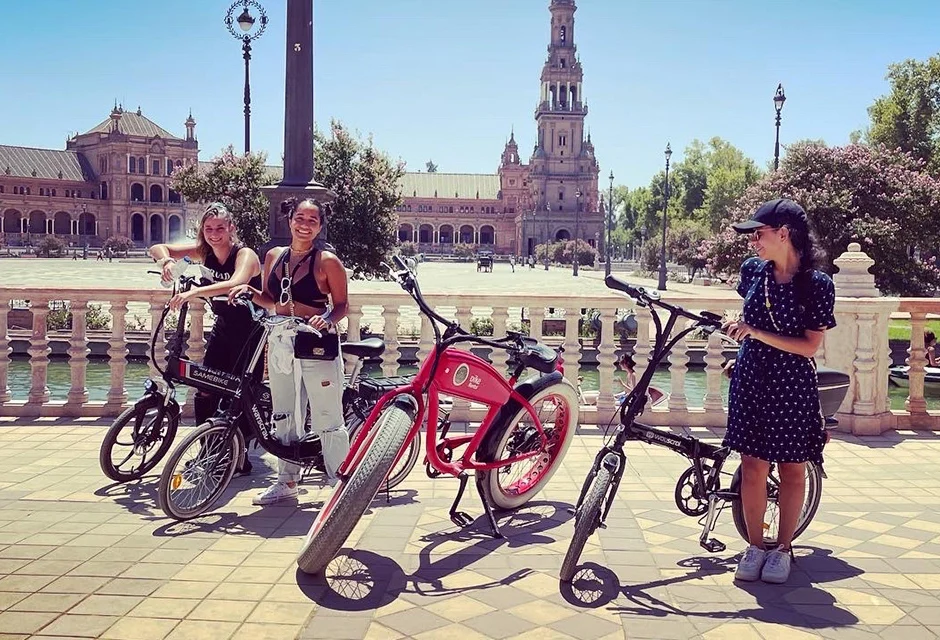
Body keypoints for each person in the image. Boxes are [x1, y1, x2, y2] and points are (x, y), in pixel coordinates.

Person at [722, 198, 836, 585]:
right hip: (752, 376)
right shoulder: (753, 272)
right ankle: (754, 546)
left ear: (784, 234)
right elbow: (754, 314)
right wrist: (740, 324)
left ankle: (783, 547)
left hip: (791, 382)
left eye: (759, 234)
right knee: (752, 465)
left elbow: (809, 346)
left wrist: (755, 333)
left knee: (791, 468)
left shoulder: (817, 285)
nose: (754, 242)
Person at [229, 197, 349, 505]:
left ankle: (341, 483)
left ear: (320, 226)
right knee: (284, 412)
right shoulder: (274, 256)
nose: (304, 224)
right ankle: (287, 481)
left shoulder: (327, 262)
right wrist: (249, 292)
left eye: (312, 220)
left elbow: (342, 305)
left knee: (327, 415)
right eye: (300, 217)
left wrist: (326, 318)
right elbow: (271, 299)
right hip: (281, 339)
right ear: (290, 220)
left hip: (314, 341)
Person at [149, 202, 263, 473]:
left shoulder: (244, 254)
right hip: (223, 329)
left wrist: (194, 293)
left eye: (220, 228)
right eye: (208, 228)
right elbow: (158, 248)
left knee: (241, 393)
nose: (214, 234)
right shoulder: (204, 252)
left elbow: (236, 282)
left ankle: (239, 456)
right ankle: (208, 449)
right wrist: (166, 260)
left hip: (250, 333)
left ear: (231, 228)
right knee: (204, 387)